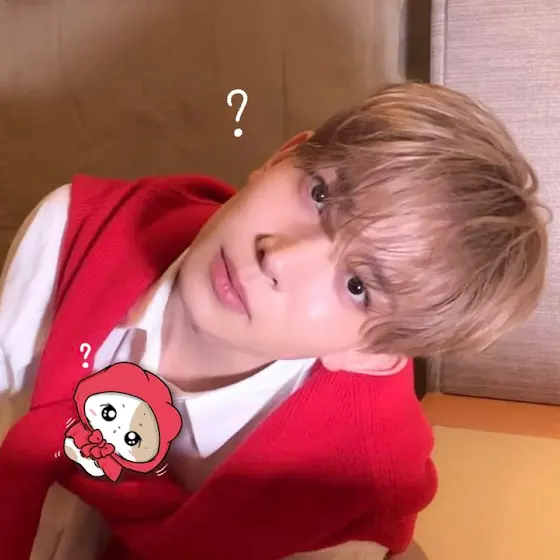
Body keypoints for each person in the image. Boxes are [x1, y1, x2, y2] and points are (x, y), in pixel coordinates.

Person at [0, 82, 548, 560]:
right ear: (282, 156)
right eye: (320, 195)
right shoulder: (75, 237)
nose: (279, 258)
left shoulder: (353, 486)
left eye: (358, 286)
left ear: (370, 354)